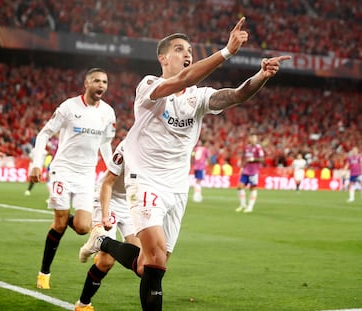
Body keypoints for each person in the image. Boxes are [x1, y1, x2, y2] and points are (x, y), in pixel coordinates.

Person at [79, 17, 291, 310]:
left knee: (149, 265)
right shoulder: (149, 86)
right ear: (163, 57)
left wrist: (260, 77)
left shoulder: (199, 97)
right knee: (154, 259)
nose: (187, 52)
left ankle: (102, 243)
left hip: (177, 187)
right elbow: (182, 79)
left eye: (189, 49)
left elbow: (237, 95)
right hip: (145, 180)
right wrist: (226, 52)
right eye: (179, 49)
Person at [29, 68, 116, 290]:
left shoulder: (108, 113)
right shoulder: (69, 107)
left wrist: (113, 170)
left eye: (104, 82)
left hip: (86, 175)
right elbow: (44, 134)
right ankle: (44, 273)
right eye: (96, 81)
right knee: (59, 224)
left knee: (82, 227)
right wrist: (37, 163)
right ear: (86, 83)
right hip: (63, 171)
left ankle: (64, 214)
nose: (101, 85)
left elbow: (106, 144)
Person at [75, 140, 141, 311]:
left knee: (141, 260)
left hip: (131, 202)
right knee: (106, 262)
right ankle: (83, 305)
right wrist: (105, 215)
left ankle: (99, 242)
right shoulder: (128, 147)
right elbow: (107, 182)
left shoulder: (162, 150)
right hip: (109, 199)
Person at [235, 132, 264, 213]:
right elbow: (243, 158)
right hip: (246, 170)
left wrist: (253, 159)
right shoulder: (246, 147)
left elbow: (262, 159)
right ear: (250, 139)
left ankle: (250, 207)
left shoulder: (259, 148)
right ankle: (242, 204)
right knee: (240, 187)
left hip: (254, 171)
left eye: (255, 138)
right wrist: (242, 167)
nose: (254, 140)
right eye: (253, 138)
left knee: (253, 188)